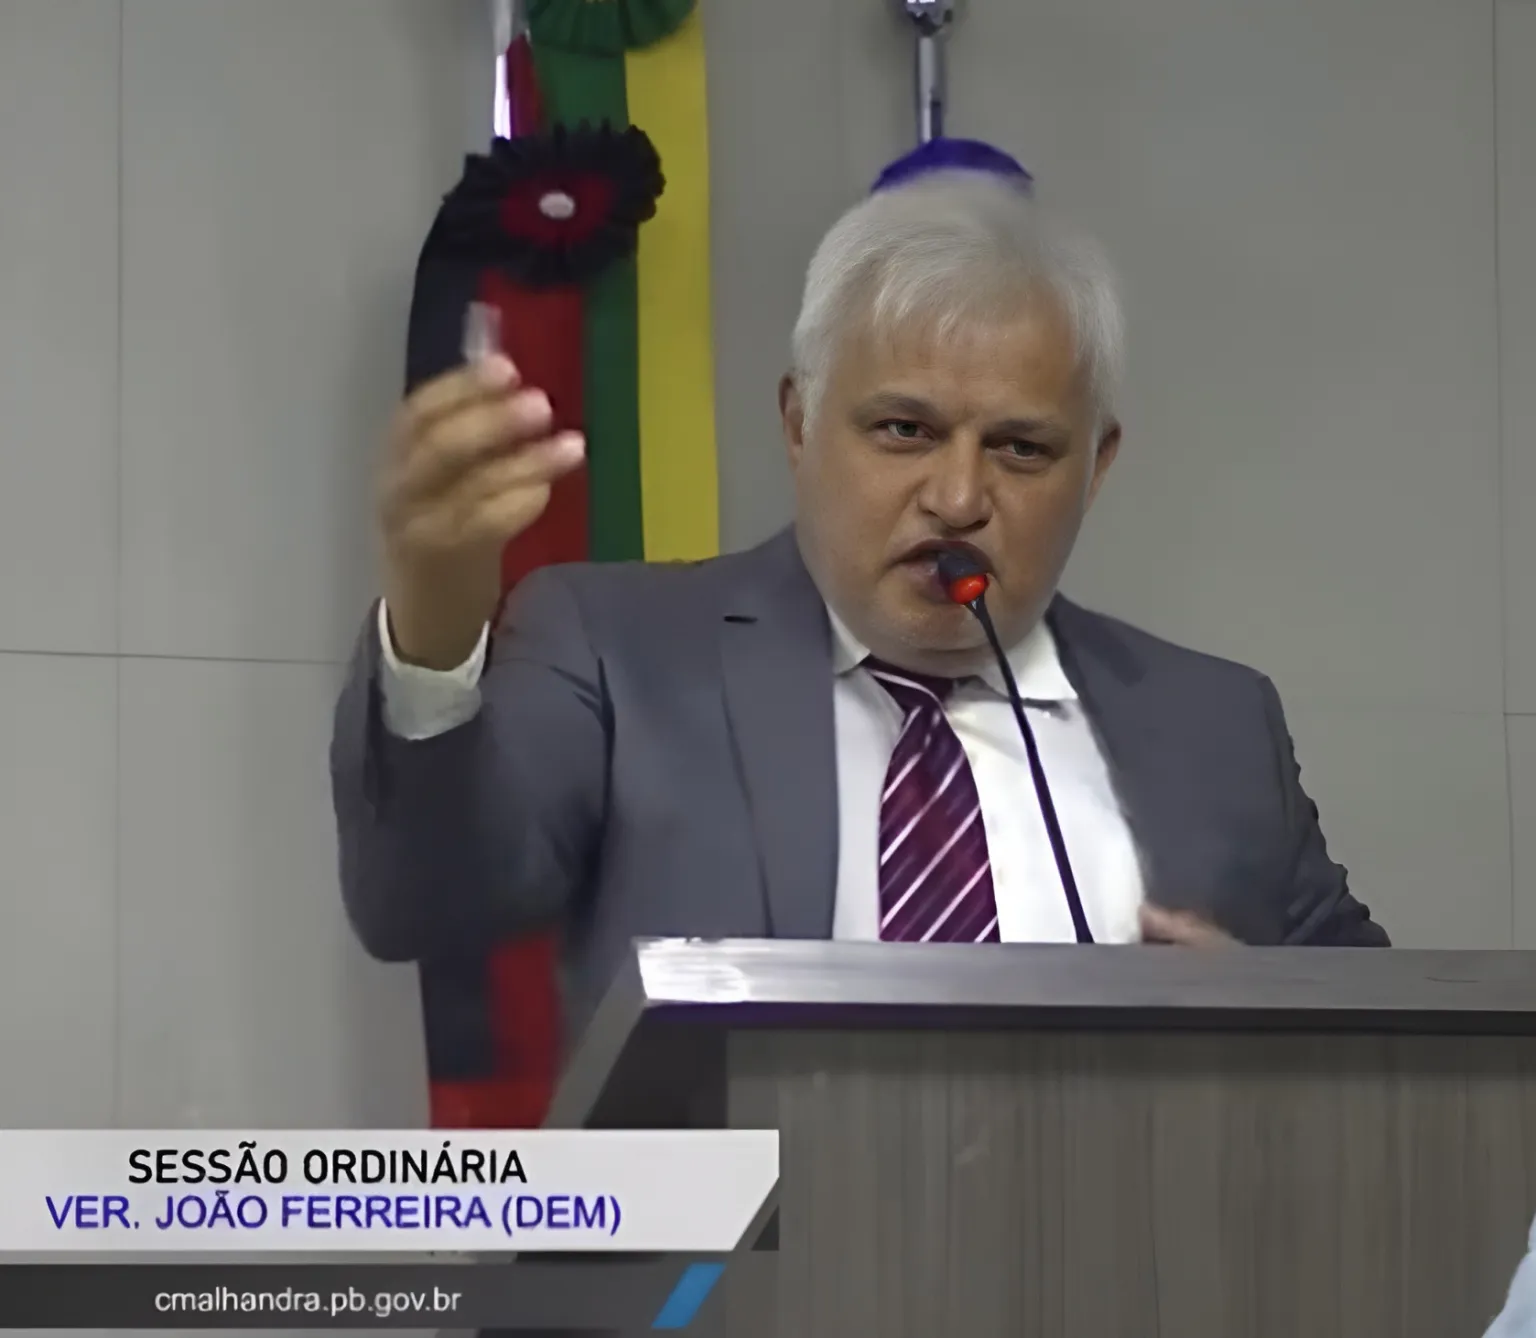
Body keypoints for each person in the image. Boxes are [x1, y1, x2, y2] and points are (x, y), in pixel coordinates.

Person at [330, 140, 1388, 1045]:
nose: (959, 497)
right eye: (904, 431)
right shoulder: (617, 654)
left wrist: (1268, 1023)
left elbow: (1407, 1058)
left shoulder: (1216, 728)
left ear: (1097, 466)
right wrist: (433, 628)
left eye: (1021, 449)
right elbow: (425, 902)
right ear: (799, 424)